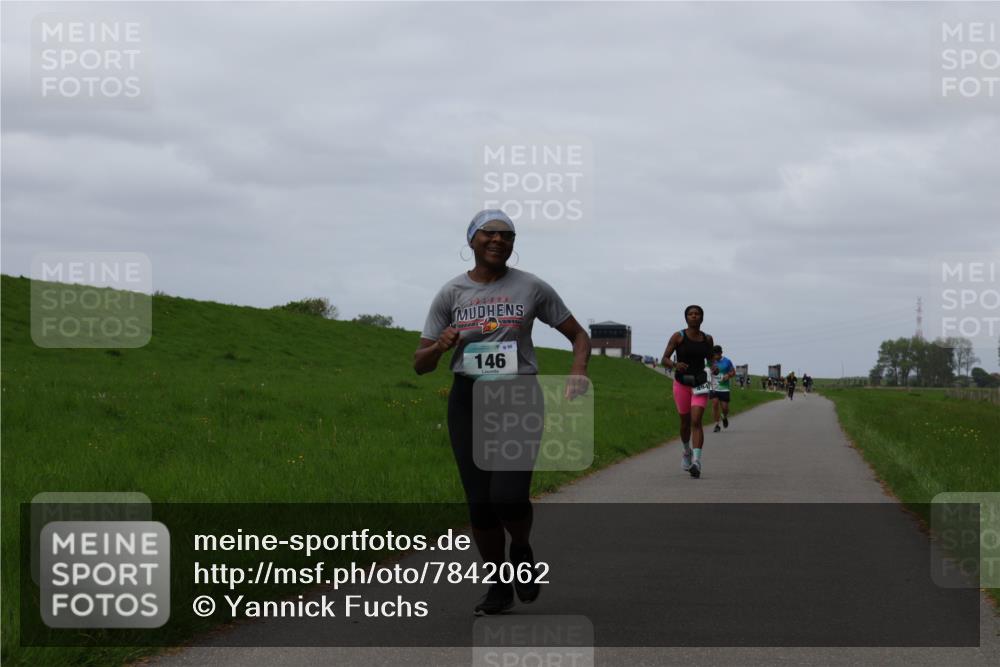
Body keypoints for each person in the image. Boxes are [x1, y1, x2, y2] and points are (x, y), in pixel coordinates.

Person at [414, 209, 590, 616]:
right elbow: (419, 364)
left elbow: (578, 335)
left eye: (507, 236)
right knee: (480, 504)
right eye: (489, 234)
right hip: (468, 399)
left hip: (519, 395)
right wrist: (440, 346)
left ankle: (522, 550)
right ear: (472, 240)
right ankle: (497, 585)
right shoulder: (451, 293)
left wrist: (578, 370)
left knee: (508, 497)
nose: (498, 241)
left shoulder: (531, 287)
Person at [661, 305, 715, 479]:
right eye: (690, 314)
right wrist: (675, 365)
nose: (694, 316)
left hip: (700, 383)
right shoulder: (678, 336)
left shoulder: (707, 339)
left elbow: (710, 359)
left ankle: (697, 462)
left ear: (702, 318)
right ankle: (686, 452)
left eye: (697, 314)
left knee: (696, 420)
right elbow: (664, 359)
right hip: (682, 383)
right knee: (685, 422)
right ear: (686, 318)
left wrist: (713, 367)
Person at [709, 346, 736, 433]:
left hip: (724, 388)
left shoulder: (727, 361)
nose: (715, 356)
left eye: (717, 354)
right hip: (713, 387)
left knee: (725, 408)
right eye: (714, 355)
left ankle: (724, 416)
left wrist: (728, 375)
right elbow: (705, 370)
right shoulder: (710, 361)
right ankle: (717, 425)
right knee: (715, 404)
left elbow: (733, 372)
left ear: (721, 353)